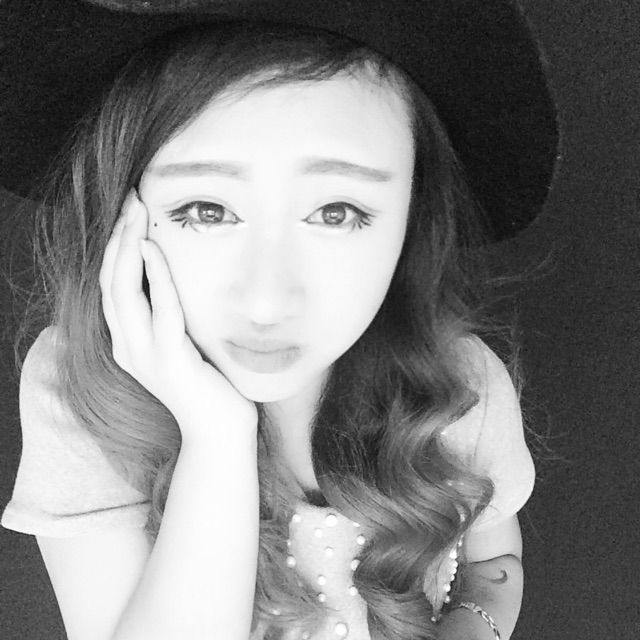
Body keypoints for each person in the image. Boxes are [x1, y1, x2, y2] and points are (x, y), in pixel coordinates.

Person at [0, 1, 559, 639]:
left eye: (337, 212)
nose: (266, 302)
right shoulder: (82, 389)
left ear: (411, 217)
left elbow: (493, 566)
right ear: (125, 214)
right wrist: (215, 437)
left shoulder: (459, 385)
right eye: (206, 210)